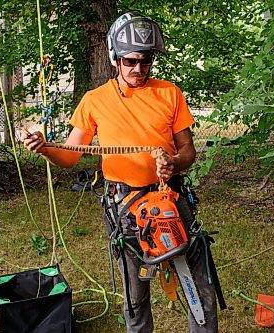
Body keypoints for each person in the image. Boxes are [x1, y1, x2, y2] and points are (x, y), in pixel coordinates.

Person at [23, 11, 219, 333]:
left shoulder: (169, 93)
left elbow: (189, 152)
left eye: (146, 62)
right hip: (126, 206)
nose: (138, 69)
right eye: (130, 61)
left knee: (200, 289)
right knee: (135, 295)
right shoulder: (94, 101)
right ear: (115, 58)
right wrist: (44, 147)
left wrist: (174, 161)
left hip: (171, 197)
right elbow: (71, 156)